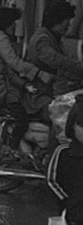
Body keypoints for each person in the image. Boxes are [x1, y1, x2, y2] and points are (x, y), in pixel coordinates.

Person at [0, 7, 52, 150]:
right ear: (7, 25)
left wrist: (24, 85)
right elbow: (14, 63)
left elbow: (9, 71)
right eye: (13, 24)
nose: (15, 28)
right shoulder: (0, 39)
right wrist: (40, 73)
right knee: (22, 117)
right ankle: (13, 149)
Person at [26, 1, 83, 97]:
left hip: (49, 88)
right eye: (67, 21)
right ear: (57, 20)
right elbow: (58, 61)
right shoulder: (42, 39)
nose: (69, 25)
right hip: (42, 92)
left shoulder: (52, 37)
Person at [47, 95, 83, 225]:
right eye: (82, 125)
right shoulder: (63, 152)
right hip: (74, 216)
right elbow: (52, 181)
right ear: (72, 125)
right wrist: (68, 202)